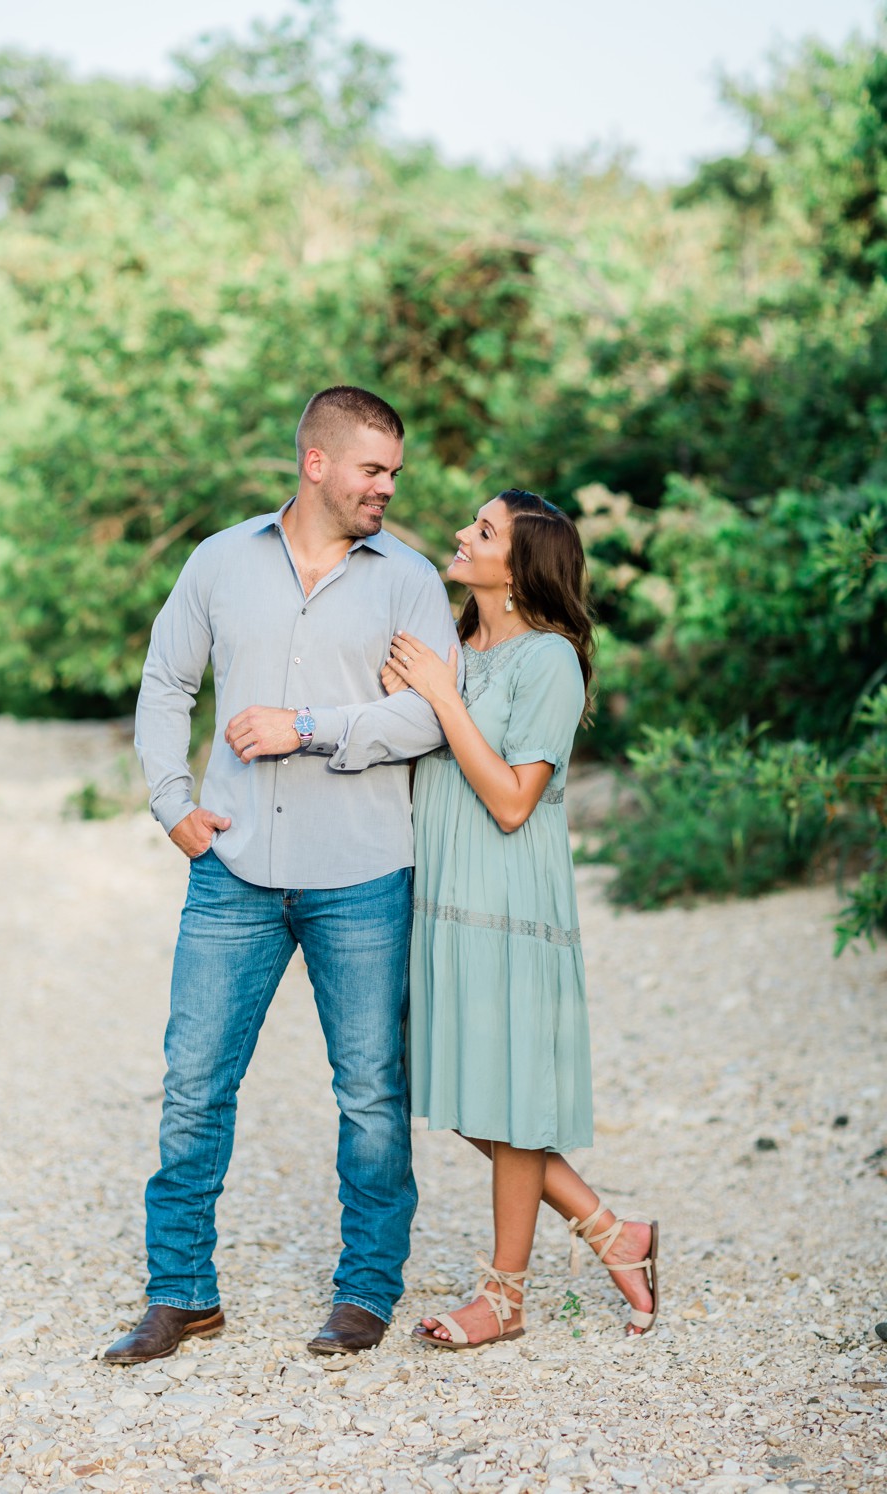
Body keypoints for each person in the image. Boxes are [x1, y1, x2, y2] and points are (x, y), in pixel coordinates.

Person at [113, 386, 459, 1364]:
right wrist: (170, 801)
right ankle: (180, 1292)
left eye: (392, 471)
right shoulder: (221, 561)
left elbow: (430, 716)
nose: (386, 487)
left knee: (367, 1092)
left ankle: (364, 1290)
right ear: (315, 463)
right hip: (233, 871)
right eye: (372, 469)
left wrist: (307, 728)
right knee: (192, 1083)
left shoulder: (406, 580)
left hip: (361, 874)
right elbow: (165, 682)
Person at [379, 489, 658, 1348]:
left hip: (507, 902)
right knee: (452, 1082)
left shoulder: (550, 661)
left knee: (503, 1094)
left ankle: (505, 1297)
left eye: (485, 531)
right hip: (438, 898)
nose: (464, 533)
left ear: (522, 564)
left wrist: (440, 696)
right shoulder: (456, 644)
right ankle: (614, 1231)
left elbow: (511, 801)